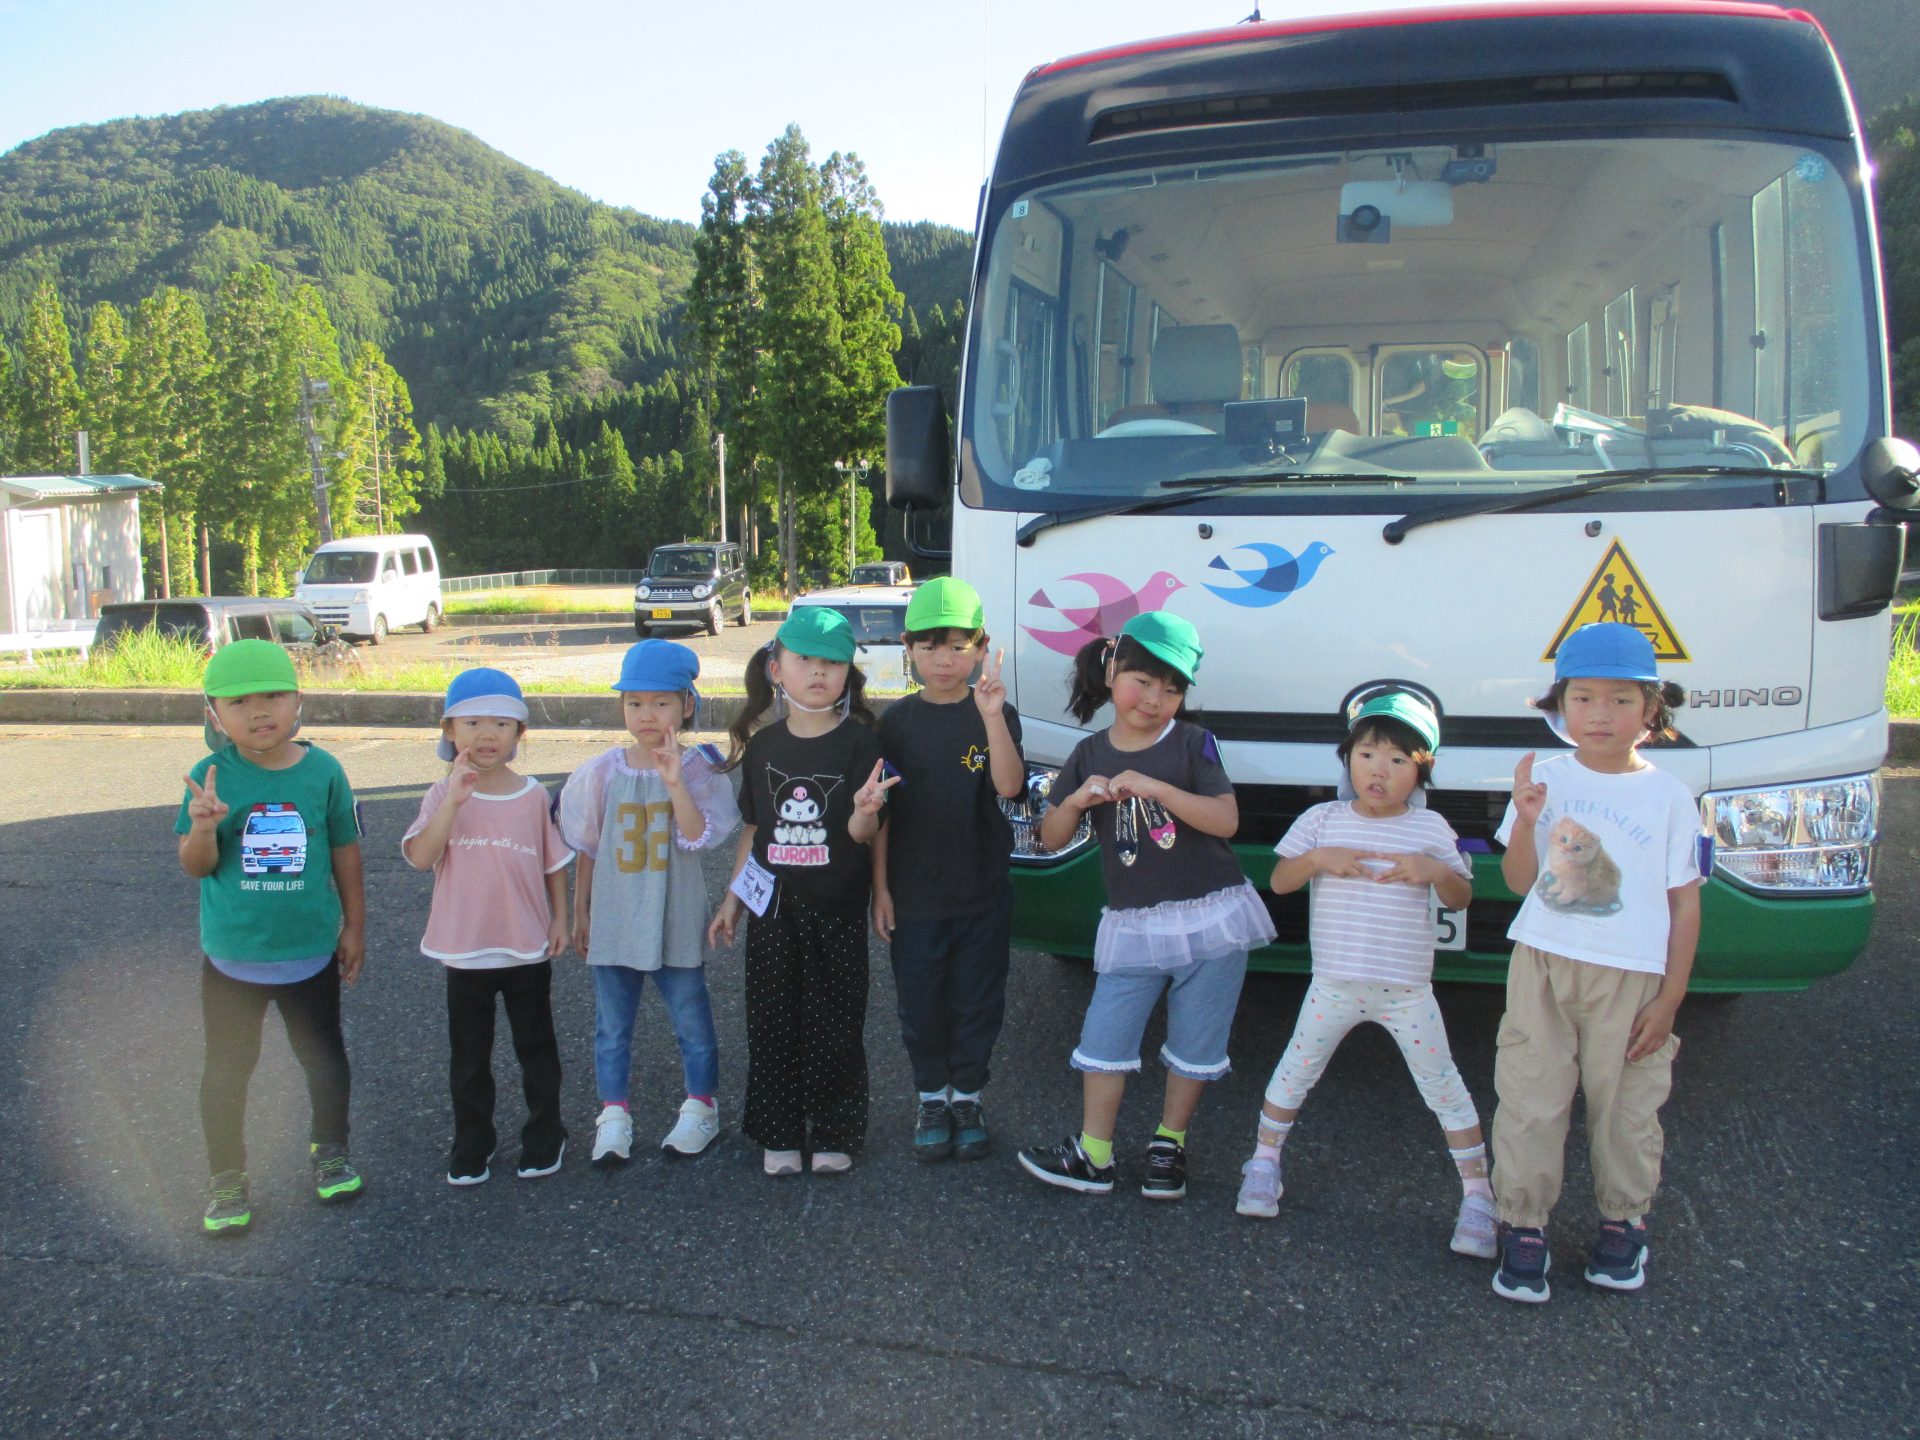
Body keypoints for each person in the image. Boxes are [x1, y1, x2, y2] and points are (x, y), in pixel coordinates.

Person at [1017, 612, 1275, 1200]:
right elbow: (1050, 838)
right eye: (1143, 681)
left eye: (1172, 688)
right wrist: (1076, 802)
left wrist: (1158, 787)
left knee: (1196, 1041)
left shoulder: (1192, 742)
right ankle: (1095, 1154)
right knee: (1104, 1036)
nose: (1156, 699)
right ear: (1112, 672)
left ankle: (1169, 1145)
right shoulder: (1087, 753)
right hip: (1134, 923)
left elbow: (1226, 820)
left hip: (1212, 916)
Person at [1236, 692, 1495, 1259]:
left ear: (1421, 771)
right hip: (1333, 986)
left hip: (1408, 992)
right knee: (1295, 1071)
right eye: (1367, 755)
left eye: (1398, 760)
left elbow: (1461, 896)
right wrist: (1317, 859)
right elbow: (1280, 881)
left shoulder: (1430, 827)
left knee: (1443, 1085)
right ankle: (1263, 1162)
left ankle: (1478, 1196)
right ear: (1348, 759)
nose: (1380, 770)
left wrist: (1433, 870)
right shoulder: (1321, 820)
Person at [1488, 623, 1700, 1302]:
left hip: (1632, 978)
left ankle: (1624, 1220)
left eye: (1621, 699)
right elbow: (1519, 883)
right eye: (1583, 698)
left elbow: (1685, 904)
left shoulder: (1669, 796)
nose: (1600, 715)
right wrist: (1526, 820)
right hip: (1543, 964)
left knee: (1627, 1107)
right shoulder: (1546, 782)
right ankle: (1523, 1225)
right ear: (1560, 706)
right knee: (1530, 1097)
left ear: (1651, 709)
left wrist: (1670, 999)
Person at [175, 639, 366, 1235]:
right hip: (234, 958)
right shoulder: (209, 778)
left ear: (298, 700)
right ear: (214, 714)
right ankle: (226, 1178)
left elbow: (345, 851)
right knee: (228, 1069)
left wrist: (355, 925)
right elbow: (197, 867)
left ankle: (330, 1151)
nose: (259, 711)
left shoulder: (324, 771)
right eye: (239, 702)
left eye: (273, 696)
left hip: (309, 953)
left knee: (323, 1057)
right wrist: (203, 827)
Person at [708, 609, 893, 1177]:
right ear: (776, 669)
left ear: (847, 674)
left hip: (838, 907)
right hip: (773, 911)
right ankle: (779, 1130)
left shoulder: (863, 743)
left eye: (832, 663)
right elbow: (755, 831)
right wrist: (733, 900)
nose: (818, 672)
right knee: (771, 1020)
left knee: (837, 1020)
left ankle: (835, 1128)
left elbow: (866, 833)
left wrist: (868, 822)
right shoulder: (764, 747)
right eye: (805, 659)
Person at [559, 640, 740, 1165]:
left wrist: (675, 781)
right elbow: (590, 845)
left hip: (673, 911)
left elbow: (697, 836)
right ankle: (614, 1114)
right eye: (634, 702)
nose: (646, 714)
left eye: (661, 702)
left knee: (691, 1018)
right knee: (612, 1025)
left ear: (687, 705)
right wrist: (580, 910)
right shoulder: (601, 771)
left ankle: (701, 1105)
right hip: (616, 913)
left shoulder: (699, 769)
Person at [871, 577, 1026, 1161]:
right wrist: (881, 889)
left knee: (978, 1001)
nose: (944, 659)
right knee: (920, 1003)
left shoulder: (997, 713)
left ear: (982, 648)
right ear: (908, 649)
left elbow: (1009, 787)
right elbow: (881, 815)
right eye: (930, 646)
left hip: (982, 891)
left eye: (959, 646)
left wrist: (992, 717)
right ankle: (931, 1098)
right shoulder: (895, 724)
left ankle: (968, 1097)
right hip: (914, 897)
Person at [403, 668, 573, 1185]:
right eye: (472, 722)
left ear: (520, 733)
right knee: (470, 1058)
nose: (487, 734)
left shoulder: (533, 795)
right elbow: (421, 856)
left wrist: (561, 918)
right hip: (466, 948)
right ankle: (473, 1140)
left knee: (536, 1049)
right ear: (449, 730)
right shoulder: (441, 793)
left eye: (501, 723)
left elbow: (553, 863)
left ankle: (546, 1134)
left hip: (526, 945)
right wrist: (454, 800)